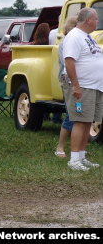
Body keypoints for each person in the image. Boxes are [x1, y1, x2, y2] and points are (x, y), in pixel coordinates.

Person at [62, 7, 103, 170]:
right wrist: (76, 86)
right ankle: (74, 160)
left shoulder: (87, 37)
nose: (98, 21)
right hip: (82, 86)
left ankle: (81, 156)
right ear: (88, 20)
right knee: (80, 121)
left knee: (88, 122)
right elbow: (69, 61)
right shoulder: (74, 37)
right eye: (96, 19)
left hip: (93, 86)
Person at [54, 16, 78, 157]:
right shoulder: (65, 44)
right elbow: (68, 63)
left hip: (81, 81)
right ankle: (60, 147)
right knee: (71, 113)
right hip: (69, 81)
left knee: (80, 114)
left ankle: (78, 148)